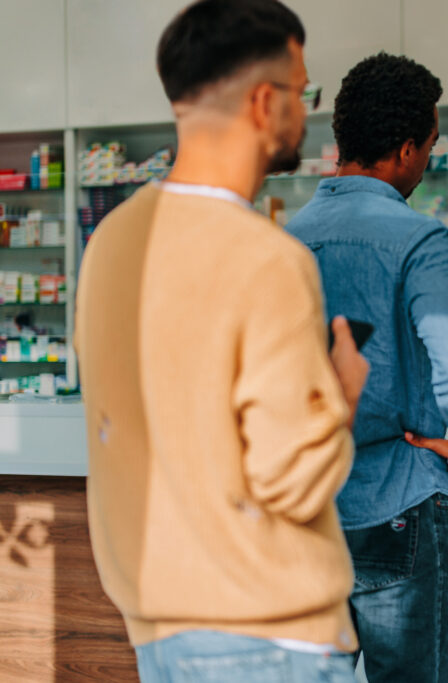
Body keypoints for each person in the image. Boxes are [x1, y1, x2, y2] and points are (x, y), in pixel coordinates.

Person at [73, 2, 369, 681]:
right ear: (265, 103)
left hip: (160, 626)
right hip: (271, 633)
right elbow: (290, 479)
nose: (306, 108)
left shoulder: (112, 242)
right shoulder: (265, 258)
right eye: (303, 91)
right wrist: (340, 394)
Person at [285, 53, 448, 683]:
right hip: (398, 499)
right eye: (429, 146)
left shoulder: (286, 240)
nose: (426, 161)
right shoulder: (415, 237)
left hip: (308, 507)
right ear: (407, 149)